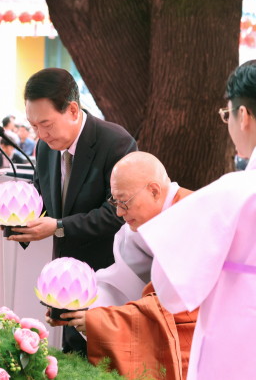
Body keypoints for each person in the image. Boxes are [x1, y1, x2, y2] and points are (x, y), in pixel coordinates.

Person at [136, 59, 256, 380]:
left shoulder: (229, 194)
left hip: (239, 364)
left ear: (243, 116)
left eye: (227, 114)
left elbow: (169, 294)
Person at [9, 68, 137, 356]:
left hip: (107, 278)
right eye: (33, 126)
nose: (40, 135)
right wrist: (18, 223)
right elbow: (40, 202)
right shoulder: (44, 147)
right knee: (70, 357)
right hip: (64, 280)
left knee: (103, 363)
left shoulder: (115, 143)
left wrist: (58, 226)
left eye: (46, 124)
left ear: (72, 109)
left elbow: (115, 212)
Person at [56, 152, 197, 380]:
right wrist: (80, 305)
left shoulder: (191, 217)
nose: (119, 213)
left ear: (154, 190)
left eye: (124, 201)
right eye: (115, 202)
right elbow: (120, 282)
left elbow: (175, 313)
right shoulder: (141, 223)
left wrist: (99, 321)